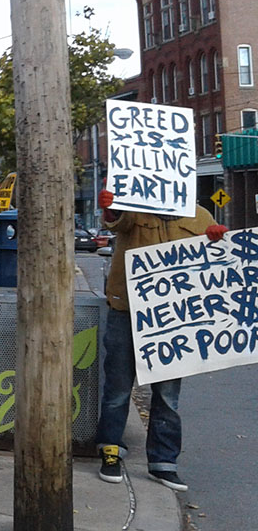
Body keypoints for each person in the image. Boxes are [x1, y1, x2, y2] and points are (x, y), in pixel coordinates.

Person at [94, 188, 224, 492]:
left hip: (174, 320)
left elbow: (215, 266)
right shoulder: (134, 210)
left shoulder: (201, 216)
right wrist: (112, 208)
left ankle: (164, 463)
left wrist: (220, 243)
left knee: (167, 395)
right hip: (126, 311)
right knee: (117, 387)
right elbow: (116, 223)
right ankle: (110, 450)